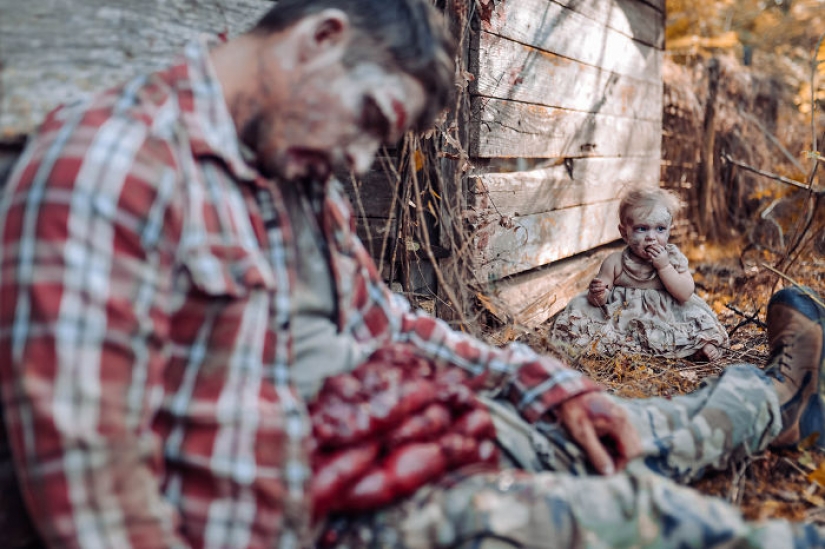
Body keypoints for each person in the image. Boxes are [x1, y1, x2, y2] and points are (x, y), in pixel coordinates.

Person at [0, 1, 823, 548]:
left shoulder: (295, 173)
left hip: (389, 424)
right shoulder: (110, 166)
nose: (359, 161)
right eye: (368, 122)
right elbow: (91, 478)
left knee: (626, 431)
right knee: (635, 512)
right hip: (320, 505)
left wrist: (552, 385)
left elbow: (385, 324)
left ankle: (769, 399)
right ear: (320, 38)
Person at [553, 187, 729, 361]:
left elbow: (684, 294)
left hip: (668, 314)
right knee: (582, 312)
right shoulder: (615, 261)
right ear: (624, 233)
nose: (651, 237)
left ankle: (698, 346)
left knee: (695, 320)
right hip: (626, 317)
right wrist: (598, 293)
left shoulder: (673, 258)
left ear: (669, 230)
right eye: (642, 229)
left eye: (660, 228)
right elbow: (599, 301)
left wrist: (664, 267)